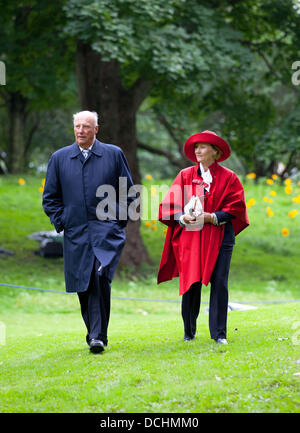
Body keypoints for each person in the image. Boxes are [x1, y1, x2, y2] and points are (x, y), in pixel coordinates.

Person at [43, 111, 134, 353]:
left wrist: (118, 222)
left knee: (98, 276)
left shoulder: (113, 154)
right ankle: (96, 334)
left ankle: (96, 336)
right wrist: (63, 221)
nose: (81, 130)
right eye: (77, 126)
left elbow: (128, 191)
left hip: (106, 230)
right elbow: (50, 198)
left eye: (86, 126)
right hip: (76, 233)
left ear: (96, 129)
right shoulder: (59, 158)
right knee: (83, 283)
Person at [157, 130, 249, 345]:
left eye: (203, 146)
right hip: (191, 238)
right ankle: (189, 332)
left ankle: (219, 334)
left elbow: (235, 208)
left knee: (219, 283)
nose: (198, 150)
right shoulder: (185, 175)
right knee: (191, 283)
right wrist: (182, 218)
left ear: (215, 152)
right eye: (196, 146)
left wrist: (211, 217)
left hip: (220, 238)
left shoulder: (229, 177)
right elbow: (169, 207)